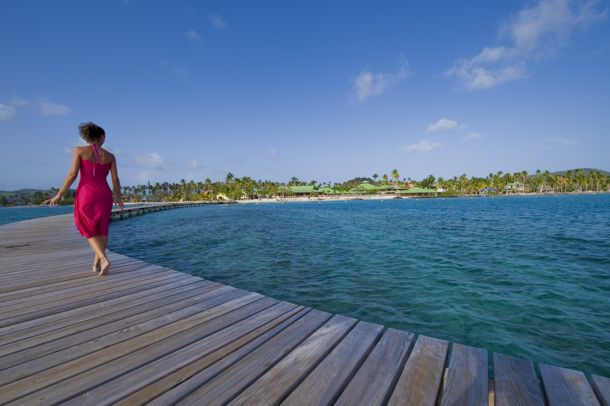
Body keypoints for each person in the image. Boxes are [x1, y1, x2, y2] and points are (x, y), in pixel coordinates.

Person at [43, 122, 124, 275]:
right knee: (102, 228)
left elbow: (72, 175)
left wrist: (59, 195)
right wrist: (118, 197)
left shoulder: (79, 151)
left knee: (88, 228)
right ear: (101, 137)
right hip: (104, 194)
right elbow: (115, 180)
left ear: (88, 137)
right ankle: (97, 262)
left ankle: (103, 258)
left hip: (87, 193)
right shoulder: (110, 156)